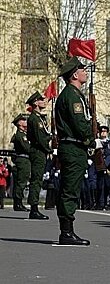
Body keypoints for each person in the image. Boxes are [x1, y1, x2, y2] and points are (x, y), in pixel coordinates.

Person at [55, 56, 100, 246]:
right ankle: (66, 232)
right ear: (75, 74)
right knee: (70, 190)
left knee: (71, 188)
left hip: (75, 147)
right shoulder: (72, 96)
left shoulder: (75, 94)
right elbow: (79, 123)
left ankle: (67, 231)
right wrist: (91, 141)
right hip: (73, 147)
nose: (85, 73)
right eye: (82, 70)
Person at [26, 91, 52, 220]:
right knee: (36, 179)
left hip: (40, 150)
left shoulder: (40, 117)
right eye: (41, 99)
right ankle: (34, 208)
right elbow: (39, 138)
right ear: (35, 102)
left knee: (38, 178)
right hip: (37, 151)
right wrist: (49, 149)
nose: (44, 101)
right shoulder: (34, 118)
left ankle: (34, 208)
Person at [10, 114, 31, 211]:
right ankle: (18, 203)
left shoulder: (24, 134)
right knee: (21, 182)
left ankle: (18, 203)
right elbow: (27, 148)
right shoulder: (21, 135)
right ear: (20, 123)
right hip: (23, 160)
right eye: (24, 120)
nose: (26, 122)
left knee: (21, 182)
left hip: (24, 160)